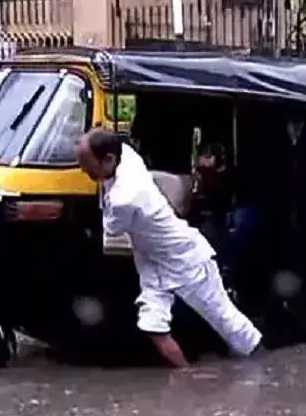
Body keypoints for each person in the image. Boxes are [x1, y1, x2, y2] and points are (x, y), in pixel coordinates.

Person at [76, 128, 262, 368]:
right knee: (153, 325)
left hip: (185, 259)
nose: (83, 170)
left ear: (109, 159)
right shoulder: (127, 155)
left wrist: (103, 185)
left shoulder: (125, 197)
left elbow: (111, 230)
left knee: (229, 322)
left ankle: (266, 369)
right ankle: (186, 377)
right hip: (153, 264)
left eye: (87, 164)